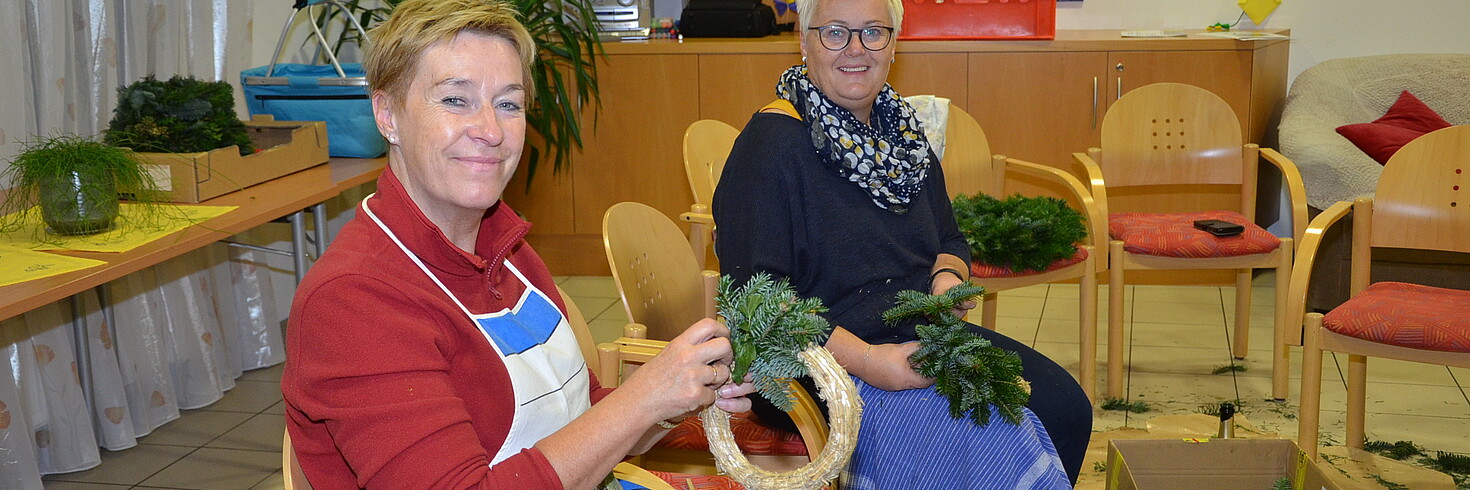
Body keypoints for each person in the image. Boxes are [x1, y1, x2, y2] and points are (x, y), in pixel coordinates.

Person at [281, 1, 754, 488]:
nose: (490, 130)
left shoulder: (506, 251)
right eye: (454, 100)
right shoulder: (352, 302)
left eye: (508, 103)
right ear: (388, 115)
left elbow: (583, 415)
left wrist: (679, 398)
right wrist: (646, 396)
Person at [711, 0, 1094, 485]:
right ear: (803, 40)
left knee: (1065, 408)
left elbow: (949, 237)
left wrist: (946, 282)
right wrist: (869, 361)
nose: (856, 49)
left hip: (914, 339)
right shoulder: (769, 147)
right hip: (806, 364)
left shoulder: (901, 136)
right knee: (991, 433)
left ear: (895, 43)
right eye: (835, 32)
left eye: (874, 32)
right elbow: (758, 302)